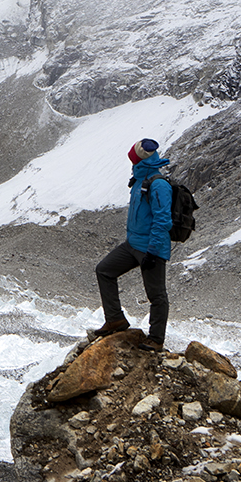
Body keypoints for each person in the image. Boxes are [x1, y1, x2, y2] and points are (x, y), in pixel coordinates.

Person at [91, 138, 172, 351]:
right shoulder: (139, 179)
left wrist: (153, 252)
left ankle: (156, 339)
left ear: (139, 160)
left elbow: (163, 220)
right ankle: (115, 319)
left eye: (133, 159)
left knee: (156, 295)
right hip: (132, 245)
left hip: (151, 248)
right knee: (104, 270)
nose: (131, 162)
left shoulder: (159, 184)